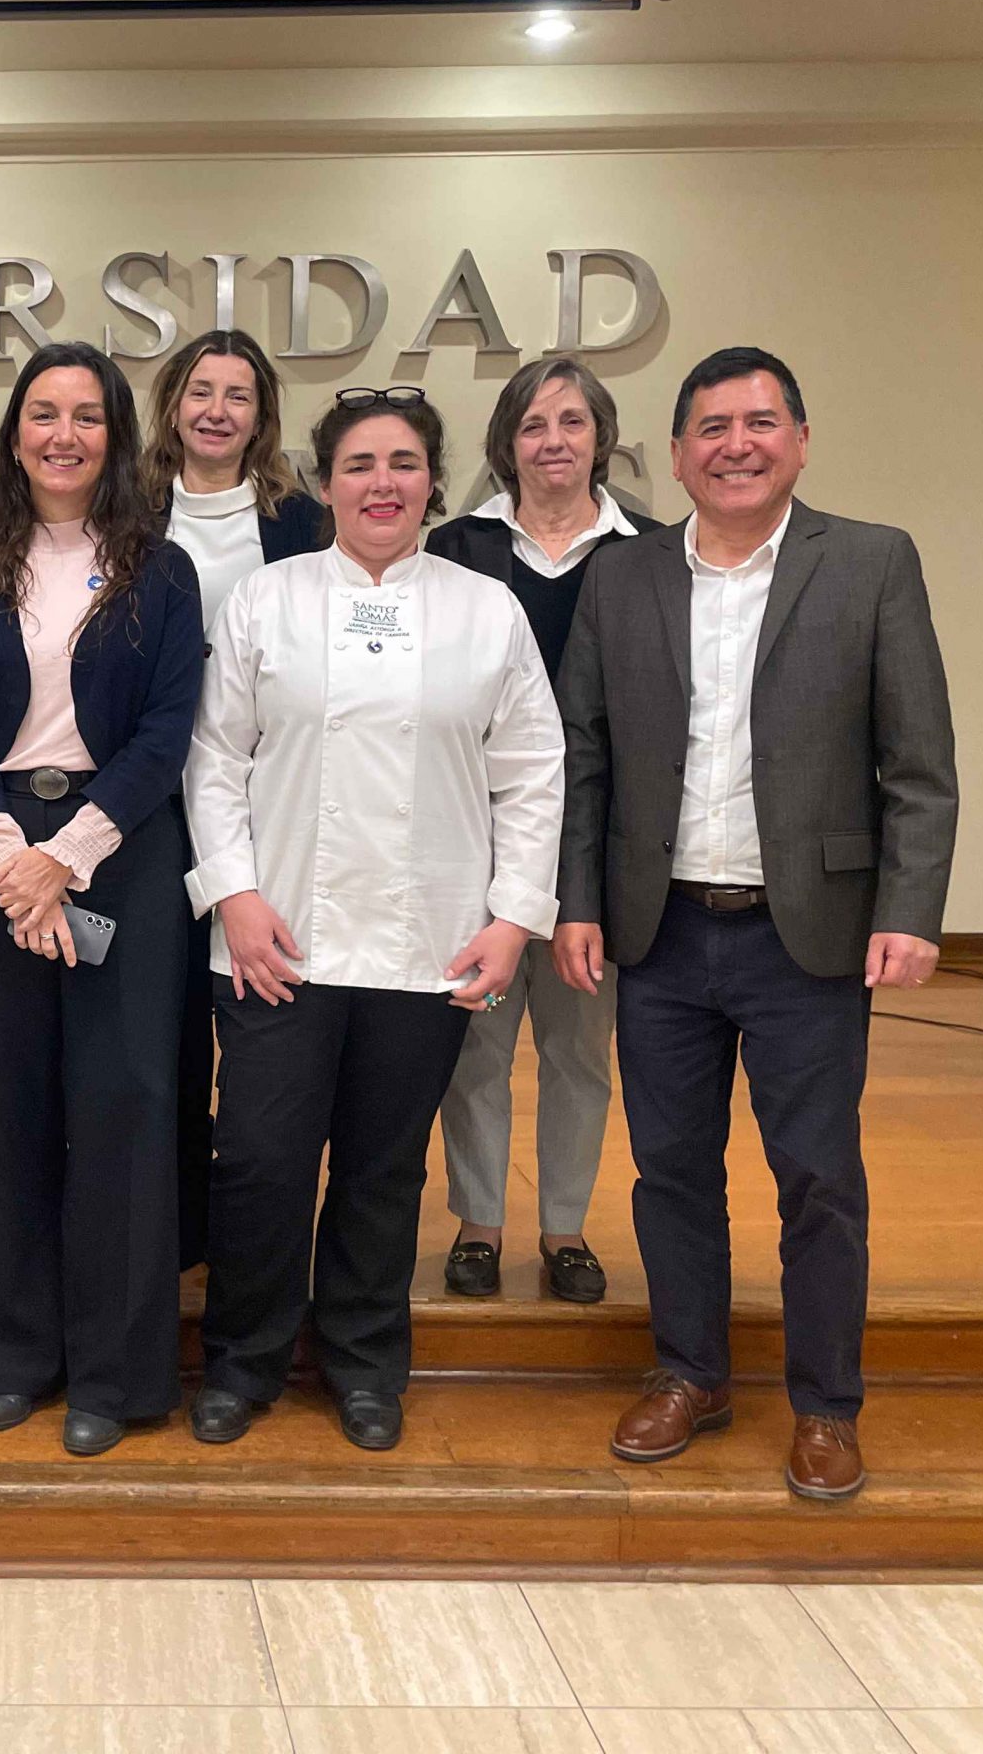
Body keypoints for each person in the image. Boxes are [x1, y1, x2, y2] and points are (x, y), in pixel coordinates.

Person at [553, 345, 958, 1501]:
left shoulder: (871, 563)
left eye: (760, 422)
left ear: (800, 439)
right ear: (676, 455)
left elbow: (917, 762)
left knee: (818, 1176)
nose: (737, 444)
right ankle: (690, 1372)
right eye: (712, 428)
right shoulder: (622, 578)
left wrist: (910, 909)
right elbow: (585, 759)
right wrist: (576, 900)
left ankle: (825, 1406)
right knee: (669, 1170)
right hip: (661, 930)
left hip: (810, 934)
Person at [184, 388, 563, 1453]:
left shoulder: (486, 610)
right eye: (358, 465)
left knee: (382, 1169)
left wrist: (512, 918)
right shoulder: (267, 601)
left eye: (403, 463)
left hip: (426, 942)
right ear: (322, 483)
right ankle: (244, 1361)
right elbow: (214, 759)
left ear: (433, 481)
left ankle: (361, 1363)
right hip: (276, 941)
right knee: (259, 1160)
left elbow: (532, 772)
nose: (382, 483)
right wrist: (235, 894)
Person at [0, 340, 204, 1456]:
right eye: (42, 414)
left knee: (123, 1111)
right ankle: (6, 1358)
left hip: (121, 854)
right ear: (13, 433)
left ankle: (116, 1374)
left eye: (86, 417)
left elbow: (165, 731)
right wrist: (13, 859)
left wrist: (69, 857)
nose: (63, 436)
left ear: (116, 436)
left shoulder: (163, 570)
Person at [427, 354, 657, 1306]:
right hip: (466, 844)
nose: (553, 441)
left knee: (577, 1051)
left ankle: (565, 1228)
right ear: (505, 443)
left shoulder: (650, 555)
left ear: (601, 437)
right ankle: (480, 1223)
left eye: (571, 421)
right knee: (475, 1052)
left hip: (594, 855)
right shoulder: (454, 547)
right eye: (532, 425)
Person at [141, 327, 332, 1269]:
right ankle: (174, 1217)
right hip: (147, 802)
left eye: (239, 396)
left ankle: (251, 1218)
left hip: (270, 801)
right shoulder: (128, 506)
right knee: (165, 1016)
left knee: (257, 1018)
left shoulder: (296, 518)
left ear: (262, 417)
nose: (218, 411)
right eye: (202, 391)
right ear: (173, 402)